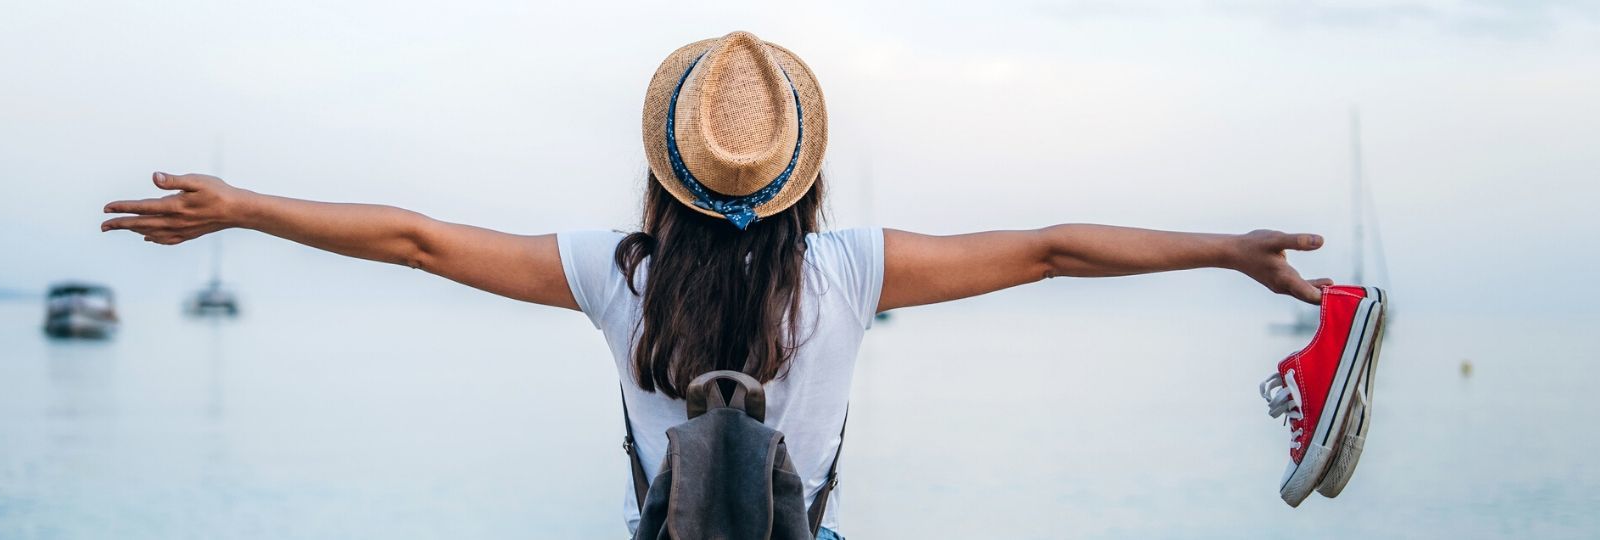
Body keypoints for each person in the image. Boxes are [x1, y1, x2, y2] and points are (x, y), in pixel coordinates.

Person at [102, 31, 1329, 540]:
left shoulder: (611, 275)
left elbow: (416, 239)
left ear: (665, 172)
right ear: (800, 174)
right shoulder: (848, 273)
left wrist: (246, 209)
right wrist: (1226, 249)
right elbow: (1056, 247)